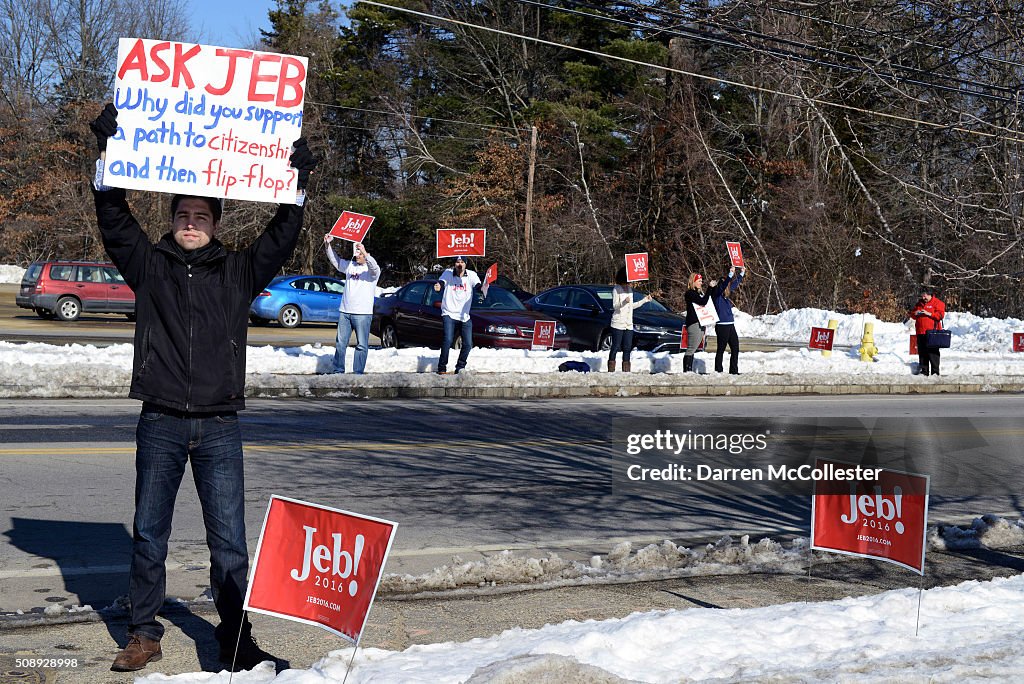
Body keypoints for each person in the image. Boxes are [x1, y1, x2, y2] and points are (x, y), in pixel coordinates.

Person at [89, 103, 317, 673]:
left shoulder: (239, 272)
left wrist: (296, 182)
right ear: (172, 219)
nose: (191, 222)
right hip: (161, 420)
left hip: (218, 425)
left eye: (201, 215)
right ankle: (143, 633)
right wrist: (109, 155)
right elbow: (114, 216)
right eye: (182, 214)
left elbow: (282, 235)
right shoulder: (149, 265)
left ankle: (236, 636)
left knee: (230, 544)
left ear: (216, 222)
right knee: (148, 533)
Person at [324, 237, 380, 374]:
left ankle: (358, 373)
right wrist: (327, 245)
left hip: (363, 314)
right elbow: (335, 261)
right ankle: (338, 370)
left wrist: (365, 253)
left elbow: (375, 268)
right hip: (345, 311)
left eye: (359, 253)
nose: (356, 256)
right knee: (341, 343)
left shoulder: (371, 271)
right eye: (356, 253)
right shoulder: (350, 266)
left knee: (361, 345)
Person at [434, 255, 488, 374]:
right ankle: (442, 367)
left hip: (464, 315)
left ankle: (460, 367)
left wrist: (483, 287)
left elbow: (477, 286)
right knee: (448, 340)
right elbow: (442, 282)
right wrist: (438, 286)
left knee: (468, 344)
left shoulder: (471, 275)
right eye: (458, 262)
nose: (460, 264)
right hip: (448, 312)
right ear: (455, 264)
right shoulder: (448, 273)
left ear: (466, 264)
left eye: (462, 262)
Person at [608, 266, 651, 372]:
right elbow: (615, 306)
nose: (629, 283)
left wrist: (644, 300)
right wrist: (624, 302)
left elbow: (631, 306)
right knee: (616, 346)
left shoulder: (630, 290)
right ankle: (611, 369)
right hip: (618, 322)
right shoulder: (616, 289)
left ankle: (626, 370)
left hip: (628, 323)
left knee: (627, 347)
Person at [708, 267, 745, 374]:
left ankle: (733, 371)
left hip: (730, 325)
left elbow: (734, 284)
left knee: (735, 348)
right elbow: (723, 286)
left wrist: (742, 273)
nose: (726, 287)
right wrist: (730, 275)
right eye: (724, 285)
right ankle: (718, 371)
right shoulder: (716, 294)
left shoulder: (725, 295)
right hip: (722, 326)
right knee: (721, 349)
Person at [910, 287, 946, 376]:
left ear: (930, 295)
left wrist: (928, 313)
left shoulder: (938, 303)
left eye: (925, 296)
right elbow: (912, 314)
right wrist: (915, 313)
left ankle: (935, 372)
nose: (923, 298)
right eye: (922, 296)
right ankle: (924, 371)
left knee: (933, 353)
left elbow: (940, 315)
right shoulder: (919, 303)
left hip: (932, 332)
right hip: (920, 332)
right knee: (922, 352)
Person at [683, 272, 711, 373]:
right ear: (693, 282)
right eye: (699, 281)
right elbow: (702, 301)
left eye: (701, 281)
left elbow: (705, 300)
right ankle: (687, 371)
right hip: (693, 323)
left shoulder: (698, 293)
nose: (701, 283)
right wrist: (709, 289)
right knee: (691, 348)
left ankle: (689, 370)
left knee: (694, 347)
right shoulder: (690, 293)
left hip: (700, 322)